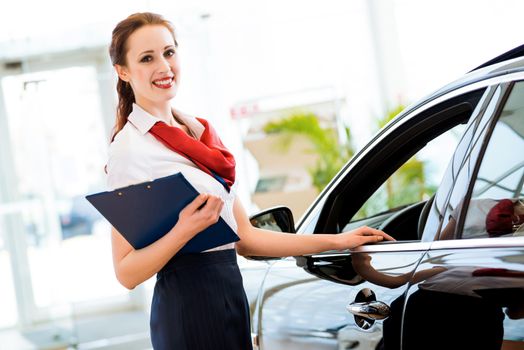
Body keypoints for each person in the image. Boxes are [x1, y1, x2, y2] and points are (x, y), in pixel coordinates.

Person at [106, 12, 393, 350]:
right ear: (123, 71)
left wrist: (340, 241)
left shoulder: (200, 133)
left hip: (230, 292)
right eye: (147, 58)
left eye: (169, 52)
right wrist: (185, 229)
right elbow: (126, 272)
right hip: (187, 305)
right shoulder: (129, 149)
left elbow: (246, 237)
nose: (164, 66)